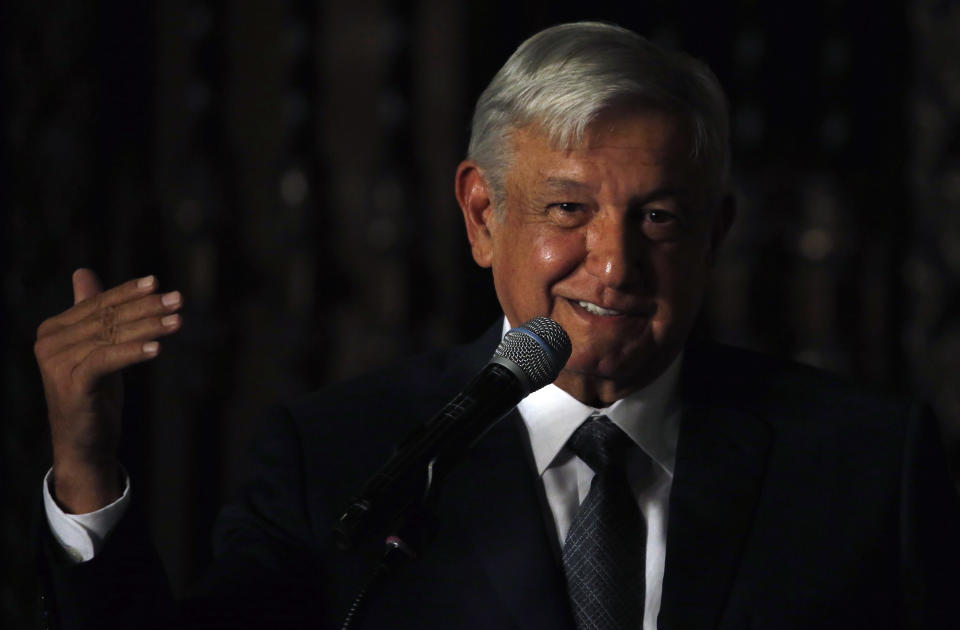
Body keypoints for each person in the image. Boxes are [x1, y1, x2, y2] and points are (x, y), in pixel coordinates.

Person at [35, 21, 960, 630]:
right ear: (483, 216)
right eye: (568, 212)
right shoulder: (342, 458)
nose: (614, 266)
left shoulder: (869, 464)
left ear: (715, 233)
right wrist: (85, 471)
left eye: (660, 219)